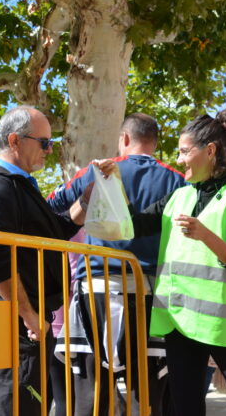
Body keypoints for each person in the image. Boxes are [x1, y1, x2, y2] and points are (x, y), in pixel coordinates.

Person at [96, 108, 226, 415]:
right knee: (185, 408)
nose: (178, 160)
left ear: (210, 150)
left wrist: (207, 236)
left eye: (184, 152)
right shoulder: (180, 197)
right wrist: (114, 183)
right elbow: (131, 227)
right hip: (180, 322)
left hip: (223, 325)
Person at [47, 113, 185, 415]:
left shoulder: (97, 171)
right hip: (150, 295)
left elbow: (51, 206)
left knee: (90, 393)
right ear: (155, 141)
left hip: (94, 291)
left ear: (124, 138)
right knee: (146, 395)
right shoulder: (177, 179)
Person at [0, 105, 85, 416]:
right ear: (15, 141)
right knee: (15, 400)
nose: (50, 149)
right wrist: (28, 314)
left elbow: (58, 230)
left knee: (31, 401)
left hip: (28, 318)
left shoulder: (18, 183)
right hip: (16, 323)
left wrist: (90, 196)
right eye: (44, 142)